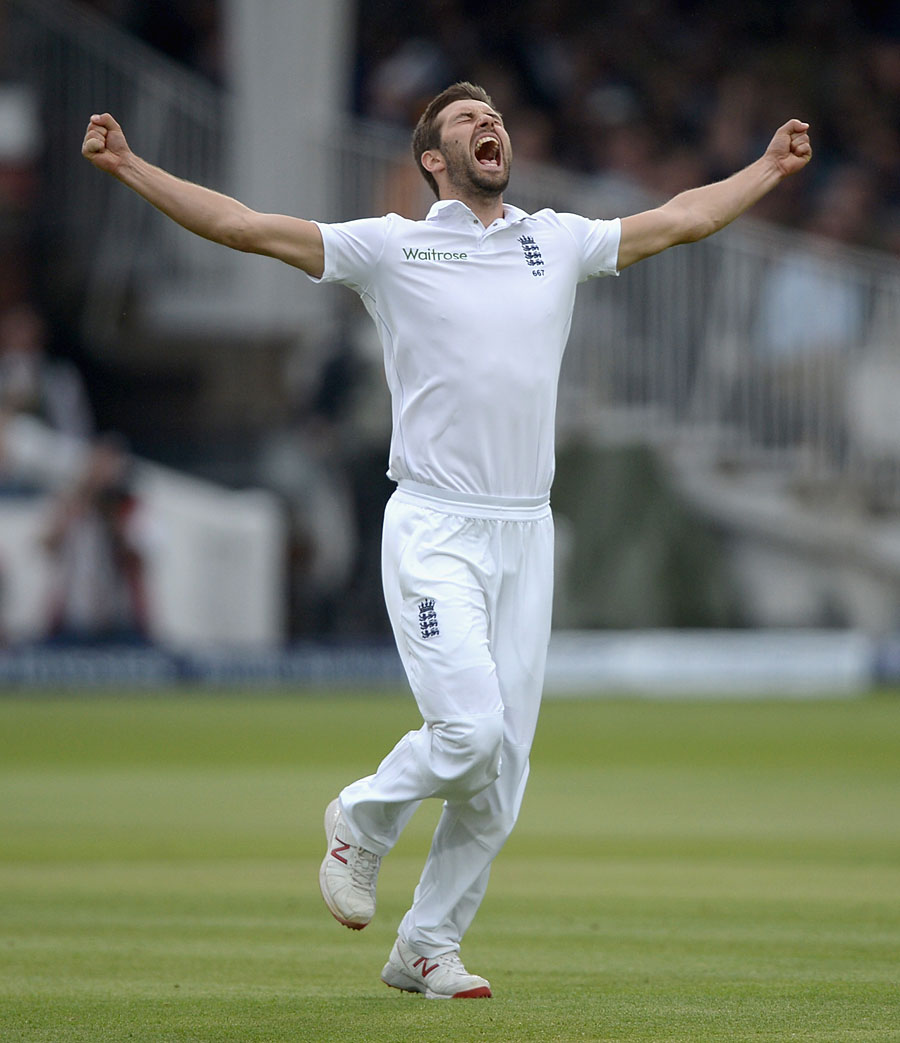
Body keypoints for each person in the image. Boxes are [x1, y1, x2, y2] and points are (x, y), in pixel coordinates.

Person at [82, 82, 812, 998]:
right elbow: (242, 226)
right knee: (468, 733)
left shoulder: (557, 238)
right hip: (434, 525)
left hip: (526, 531)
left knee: (502, 774)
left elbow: (681, 219)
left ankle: (426, 943)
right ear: (434, 159)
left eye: (496, 116)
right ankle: (360, 816)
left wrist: (769, 168)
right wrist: (129, 165)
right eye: (467, 122)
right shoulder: (392, 245)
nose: (489, 125)